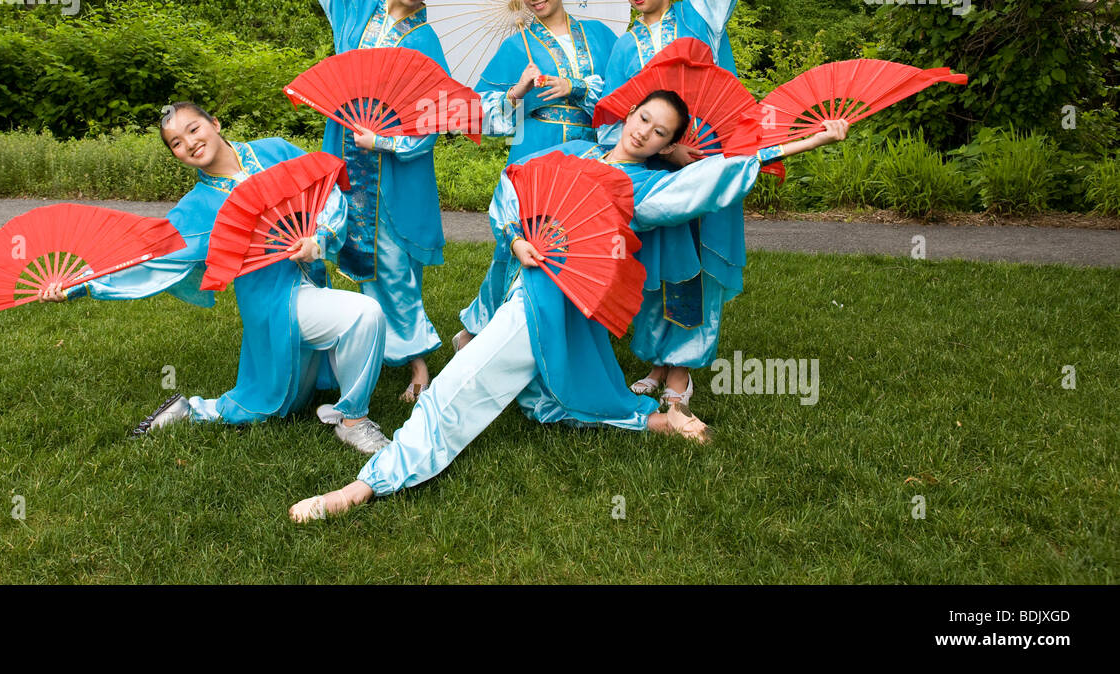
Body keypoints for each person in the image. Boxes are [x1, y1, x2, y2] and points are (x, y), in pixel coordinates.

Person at [288, 92, 848, 521]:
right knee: (545, 397)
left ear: (666, 146)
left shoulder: (646, 189)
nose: (645, 132)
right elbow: (510, 194)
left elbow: (722, 173)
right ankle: (661, 422)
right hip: (526, 280)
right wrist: (516, 241)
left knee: (460, 383)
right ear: (630, 115)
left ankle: (367, 485)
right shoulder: (574, 150)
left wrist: (812, 141)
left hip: (559, 296)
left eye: (660, 133)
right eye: (643, 118)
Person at [37, 102, 390, 453]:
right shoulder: (199, 206)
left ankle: (188, 410)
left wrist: (321, 238)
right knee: (364, 314)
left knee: (289, 404)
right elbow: (151, 257)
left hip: (312, 282)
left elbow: (325, 186)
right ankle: (354, 423)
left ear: (215, 124)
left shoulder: (274, 150)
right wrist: (81, 283)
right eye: (176, 143)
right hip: (271, 301)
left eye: (193, 129)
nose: (189, 143)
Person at [598, 0, 761, 413]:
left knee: (693, 263)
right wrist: (657, 154)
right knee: (658, 263)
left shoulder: (700, 19)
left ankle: (680, 375)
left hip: (704, 165)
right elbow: (614, 120)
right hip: (655, 174)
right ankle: (658, 356)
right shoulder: (623, 49)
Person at [301, 0, 449, 401]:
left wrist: (385, 138)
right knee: (333, 247)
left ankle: (417, 367)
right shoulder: (353, 8)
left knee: (392, 264)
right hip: (341, 152)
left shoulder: (428, 40)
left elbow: (436, 116)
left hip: (389, 166)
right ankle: (343, 350)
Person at [451, 0, 620, 350]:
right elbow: (474, 110)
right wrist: (517, 92)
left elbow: (623, 95)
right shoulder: (516, 47)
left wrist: (575, 87)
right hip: (535, 150)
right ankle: (480, 328)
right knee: (522, 240)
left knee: (579, 241)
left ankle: (565, 333)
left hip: (591, 152)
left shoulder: (600, 35)